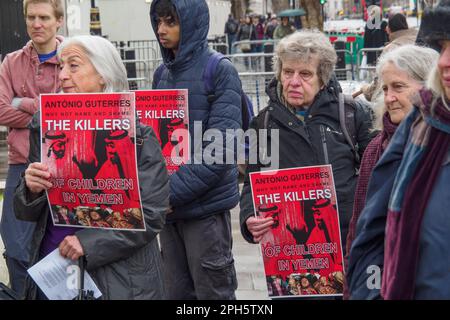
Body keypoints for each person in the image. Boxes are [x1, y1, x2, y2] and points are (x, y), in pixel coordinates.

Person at [13, 35, 169, 300]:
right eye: (61, 66)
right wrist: (31, 188)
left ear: (103, 75)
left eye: (73, 66)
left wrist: (89, 242)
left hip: (120, 275)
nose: (62, 75)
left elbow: (152, 213)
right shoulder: (46, 126)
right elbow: (25, 210)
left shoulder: (137, 135)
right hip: (54, 263)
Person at [347, 0, 450, 299]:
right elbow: (367, 233)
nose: (443, 61)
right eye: (442, 47)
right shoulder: (419, 131)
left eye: (399, 87)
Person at [240, 30, 373, 253]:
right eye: (288, 72)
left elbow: (376, 176)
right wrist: (249, 218)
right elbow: (252, 184)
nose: (293, 82)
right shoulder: (263, 123)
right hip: (292, 252)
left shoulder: (351, 114)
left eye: (305, 74)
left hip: (349, 243)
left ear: (322, 79)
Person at [150, 0, 241, 300]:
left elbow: (221, 149)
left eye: (170, 22)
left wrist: (166, 194)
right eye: (159, 22)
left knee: (213, 294)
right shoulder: (161, 74)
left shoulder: (220, 70)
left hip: (204, 212)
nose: (161, 30)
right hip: (170, 213)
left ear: (190, 23)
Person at [346, 45, 439, 266]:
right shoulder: (376, 147)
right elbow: (359, 223)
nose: (389, 98)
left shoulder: (440, 146)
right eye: (385, 89)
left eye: (398, 87)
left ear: (429, 87)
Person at [0, 0, 64, 298]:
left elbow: (70, 112)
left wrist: (21, 103)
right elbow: (0, 111)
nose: (36, 24)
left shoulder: (72, 58)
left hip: (65, 164)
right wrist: (46, 109)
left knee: (60, 243)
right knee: (15, 246)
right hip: (21, 163)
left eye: (44, 17)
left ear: (58, 21)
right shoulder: (11, 62)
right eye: (31, 17)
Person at [360, 13, 418, 101]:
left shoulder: (390, 49)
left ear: (389, 29)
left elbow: (378, 83)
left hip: (400, 100)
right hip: (422, 98)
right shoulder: (419, 41)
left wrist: (366, 90)